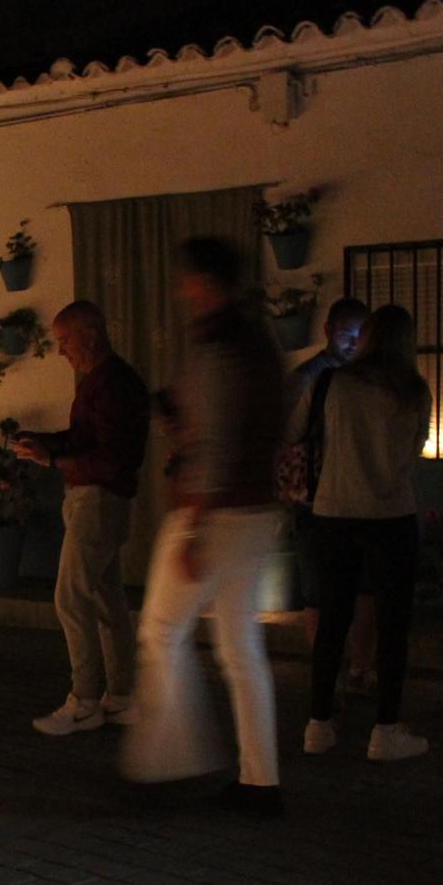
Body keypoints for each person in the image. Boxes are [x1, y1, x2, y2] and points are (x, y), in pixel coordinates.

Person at [121, 238, 287, 814]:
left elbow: (214, 444)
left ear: (205, 283)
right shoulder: (257, 343)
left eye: (187, 280)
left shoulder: (218, 346)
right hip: (259, 511)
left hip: (214, 511)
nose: (181, 291)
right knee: (241, 647)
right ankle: (259, 780)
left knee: (161, 631)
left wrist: (193, 529)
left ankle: (169, 755)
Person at [296, 305, 431, 760]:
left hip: (333, 511)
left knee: (332, 620)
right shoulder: (414, 390)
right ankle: (385, 728)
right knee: (393, 625)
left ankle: (318, 724)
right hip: (391, 515)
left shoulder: (334, 382)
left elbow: (300, 432)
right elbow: (414, 450)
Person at [12, 300, 150, 735]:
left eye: (64, 340)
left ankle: (85, 698)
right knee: (107, 601)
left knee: (70, 598)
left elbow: (109, 459)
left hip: (97, 501)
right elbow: (83, 439)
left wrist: (54, 462)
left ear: (90, 335)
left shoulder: (111, 385)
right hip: (101, 499)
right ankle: (122, 695)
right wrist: (46, 444)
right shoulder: (104, 381)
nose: (61, 351)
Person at [284, 297, 376, 688]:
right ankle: (331, 672)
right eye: (346, 333)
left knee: (360, 587)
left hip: (351, 496)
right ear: (328, 331)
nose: (353, 342)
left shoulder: (370, 379)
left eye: (360, 335)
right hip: (316, 496)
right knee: (319, 590)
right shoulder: (311, 377)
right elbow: (288, 436)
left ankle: (355, 667)